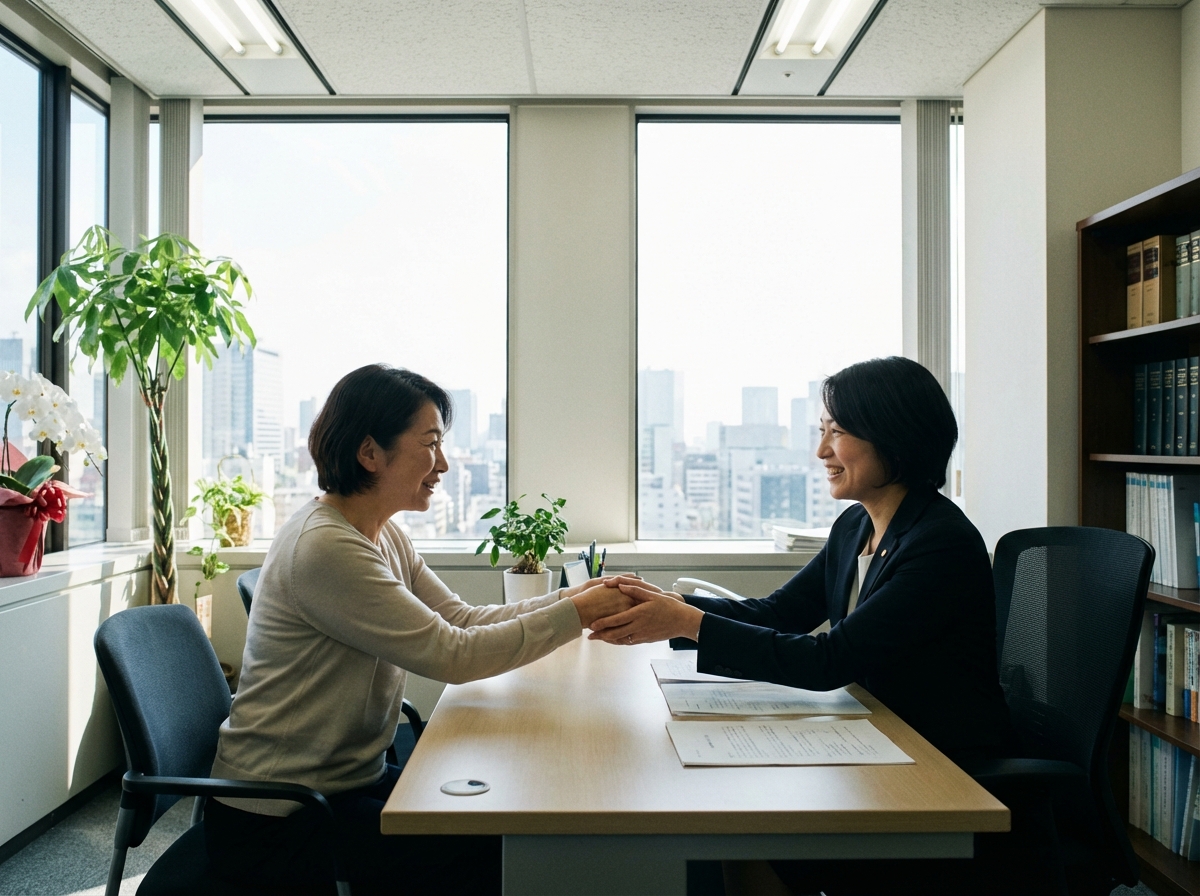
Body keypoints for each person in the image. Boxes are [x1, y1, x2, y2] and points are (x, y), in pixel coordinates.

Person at [589, 356, 1018, 895]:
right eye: (822, 431)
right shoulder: (856, 525)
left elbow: (829, 661)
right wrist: (672, 608)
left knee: (739, 831)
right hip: (874, 736)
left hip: (936, 765)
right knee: (720, 816)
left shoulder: (940, 544)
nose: (821, 452)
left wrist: (690, 622)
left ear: (896, 436)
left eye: (837, 433)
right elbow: (776, 613)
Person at [204, 363, 629, 896]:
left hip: (343, 782)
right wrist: (580, 615)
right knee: (500, 846)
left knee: (499, 820)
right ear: (369, 453)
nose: (444, 463)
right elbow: (453, 654)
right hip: (279, 818)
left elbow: (461, 619)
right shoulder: (326, 548)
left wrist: (574, 597)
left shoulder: (380, 534)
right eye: (430, 444)